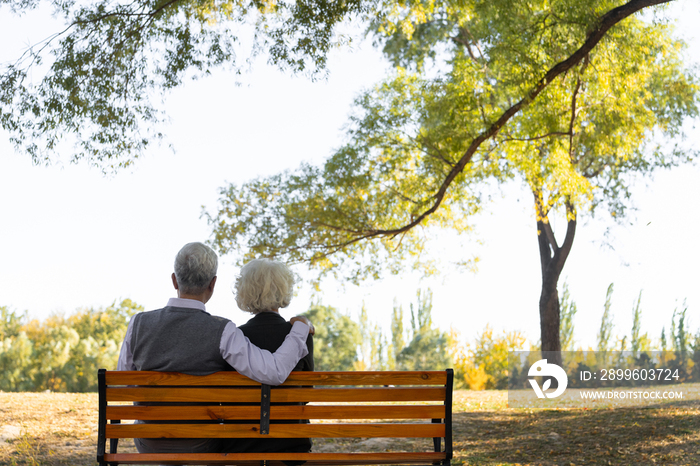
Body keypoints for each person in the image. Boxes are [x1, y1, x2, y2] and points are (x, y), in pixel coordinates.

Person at [117, 242, 314, 455]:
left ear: (174, 279)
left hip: (149, 441)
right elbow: (273, 371)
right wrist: (300, 329)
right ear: (213, 284)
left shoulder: (138, 323)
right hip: (200, 444)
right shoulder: (222, 331)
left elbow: (123, 385)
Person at [221, 258, 314, 455]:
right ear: (283, 289)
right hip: (291, 446)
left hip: (241, 446)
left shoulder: (234, 338)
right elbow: (306, 394)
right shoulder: (300, 334)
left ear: (245, 292)